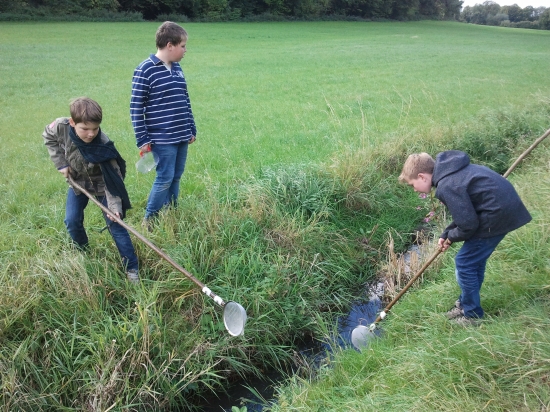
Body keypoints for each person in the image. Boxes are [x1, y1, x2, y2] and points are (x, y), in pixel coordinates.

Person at [399, 150, 531, 325]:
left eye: (412, 184)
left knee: (465, 262)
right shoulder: (452, 173)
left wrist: (452, 237)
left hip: (496, 217)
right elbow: (465, 214)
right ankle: (466, 304)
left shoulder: (447, 185)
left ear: (422, 177)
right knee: (473, 262)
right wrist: (447, 234)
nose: (414, 190)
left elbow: (468, 225)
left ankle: (472, 314)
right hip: (500, 212)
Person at [43, 97, 140, 283]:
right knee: (72, 220)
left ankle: (132, 269)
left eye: (95, 129)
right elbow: (48, 136)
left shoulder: (103, 144)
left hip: (104, 186)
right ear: (72, 123)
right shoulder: (61, 127)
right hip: (78, 183)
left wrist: (114, 206)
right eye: (85, 129)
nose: (91, 134)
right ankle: (83, 251)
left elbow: (113, 179)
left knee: (116, 225)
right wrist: (61, 164)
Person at [130, 21, 196, 230]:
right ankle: (149, 220)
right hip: (162, 138)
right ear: (170, 45)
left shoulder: (177, 68)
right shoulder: (145, 70)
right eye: (183, 46)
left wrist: (191, 128)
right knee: (165, 178)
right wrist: (143, 140)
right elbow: (135, 108)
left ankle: (172, 213)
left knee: (176, 176)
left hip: (181, 135)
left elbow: (185, 100)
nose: (185, 50)